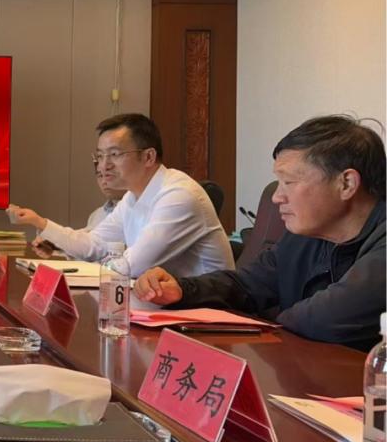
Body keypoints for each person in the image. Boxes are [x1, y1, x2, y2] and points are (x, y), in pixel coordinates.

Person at [135, 115, 386, 350]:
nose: (277, 197)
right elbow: (246, 285)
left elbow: (324, 320)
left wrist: (271, 320)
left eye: (289, 182)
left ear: (346, 183)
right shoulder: (306, 233)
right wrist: (181, 289)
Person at [9, 113, 233, 278]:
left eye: (115, 154)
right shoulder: (132, 197)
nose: (104, 165)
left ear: (148, 157)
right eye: (100, 156)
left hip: (206, 312)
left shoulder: (179, 196)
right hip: (163, 304)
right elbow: (94, 244)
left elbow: (133, 266)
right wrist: (43, 224)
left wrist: (87, 266)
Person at [86, 165, 127, 231]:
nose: (104, 182)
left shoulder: (137, 212)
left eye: (108, 175)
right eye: (100, 176)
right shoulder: (96, 215)